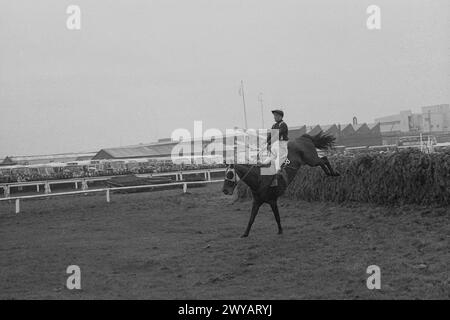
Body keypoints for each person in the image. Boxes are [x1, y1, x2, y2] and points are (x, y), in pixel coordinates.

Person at [260, 109, 289, 180]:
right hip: (275, 145)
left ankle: (276, 179)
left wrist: (269, 142)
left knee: (277, 163)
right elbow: (271, 135)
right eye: (274, 116)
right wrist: (265, 142)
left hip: (282, 145)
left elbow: (277, 135)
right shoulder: (274, 125)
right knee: (267, 161)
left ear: (280, 116)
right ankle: (265, 174)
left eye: (276, 116)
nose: (274, 117)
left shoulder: (283, 125)